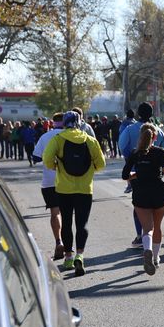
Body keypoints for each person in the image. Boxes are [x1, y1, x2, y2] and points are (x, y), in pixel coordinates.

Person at [43, 111, 105, 276]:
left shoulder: (58, 139)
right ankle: (80, 255)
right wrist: (91, 170)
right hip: (85, 189)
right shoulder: (90, 140)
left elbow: (47, 159)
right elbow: (101, 164)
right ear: (79, 122)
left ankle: (68, 257)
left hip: (64, 188)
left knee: (67, 223)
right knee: (82, 224)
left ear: (64, 123)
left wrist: (56, 167)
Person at [119, 102, 164, 247]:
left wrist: (133, 159)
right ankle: (151, 240)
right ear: (152, 114)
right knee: (155, 206)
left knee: (139, 205)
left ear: (138, 114)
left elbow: (121, 146)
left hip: (137, 172)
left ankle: (140, 235)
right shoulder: (157, 131)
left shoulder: (130, 129)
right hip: (155, 174)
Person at [122, 123, 164, 275]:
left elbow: (125, 175)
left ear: (140, 136)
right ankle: (155, 258)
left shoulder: (134, 154)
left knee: (147, 229)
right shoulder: (160, 152)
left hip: (140, 194)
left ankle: (147, 250)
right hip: (159, 193)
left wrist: (138, 174)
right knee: (157, 226)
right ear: (154, 137)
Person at [32, 112, 65, 259]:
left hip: (49, 181)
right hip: (68, 181)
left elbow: (36, 157)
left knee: (55, 213)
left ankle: (59, 241)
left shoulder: (45, 137)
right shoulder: (71, 135)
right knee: (68, 214)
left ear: (52, 122)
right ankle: (69, 248)